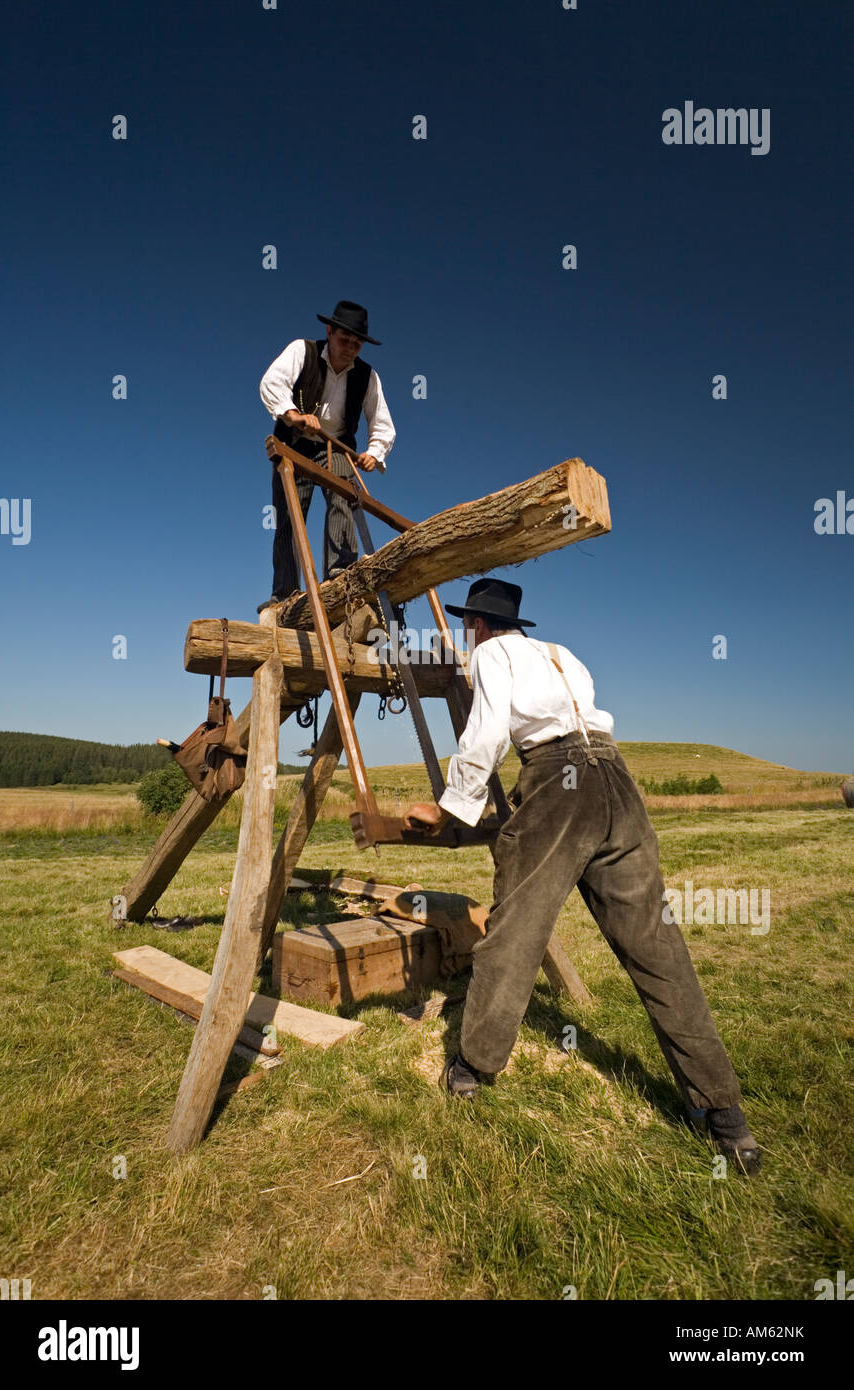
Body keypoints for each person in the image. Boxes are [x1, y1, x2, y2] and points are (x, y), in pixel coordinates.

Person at [404, 577, 761, 1176]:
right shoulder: (564, 657)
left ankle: (472, 1067)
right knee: (657, 945)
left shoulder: (491, 654)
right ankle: (727, 1117)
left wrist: (448, 807)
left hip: (558, 780)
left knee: (514, 932)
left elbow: (488, 733)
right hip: (616, 782)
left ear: (476, 625)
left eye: (470, 625)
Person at [259, 300, 395, 608]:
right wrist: (292, 414)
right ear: (329, 331)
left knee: (343, 495)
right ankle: (285, 593)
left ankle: (340, 574)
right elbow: (272, 382)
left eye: (357, 344)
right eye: (344, 340)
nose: (349, 348)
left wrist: (374, 453)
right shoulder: (302, 351)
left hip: (335, 446)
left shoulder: (368, 377)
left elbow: (383, 424)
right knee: (289, 517)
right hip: (293, 444)